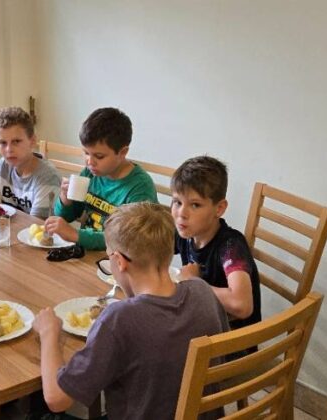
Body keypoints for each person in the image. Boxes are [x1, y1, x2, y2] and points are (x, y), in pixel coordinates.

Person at [34, 202, 229, 419]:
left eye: (109, 256)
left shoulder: (119, 319)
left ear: (119, 261)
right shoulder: (202, 291)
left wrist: (48, 333)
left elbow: (57, 399)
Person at [44, 107, 158, 250]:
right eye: (86, 153)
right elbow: (67, 217)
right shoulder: (90, 173)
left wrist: (76, 235)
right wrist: (65, 200)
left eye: (99, 156)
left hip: (117, 257)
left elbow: (127, 240)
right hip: (86, 252)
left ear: (122, 152)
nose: (89, 162)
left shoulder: (139, 187)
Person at [172, 155, 261, 331]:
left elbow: (242, 305)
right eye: (177, 202)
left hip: (231, 340)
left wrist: (193, 281)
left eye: (195, 205)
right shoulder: (186, 232)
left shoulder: (230, 246)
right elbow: (153, 252)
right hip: (202, 322)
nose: (182, 213)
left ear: (219, 208)